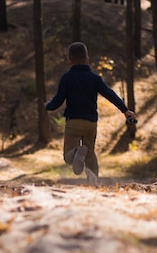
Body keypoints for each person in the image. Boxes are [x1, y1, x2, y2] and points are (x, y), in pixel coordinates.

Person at [45, 42, 137, 184]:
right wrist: (125, 110)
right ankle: (93, 181)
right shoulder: (95, 78)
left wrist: (48, 106)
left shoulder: (67, 78)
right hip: (91, 123)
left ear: (69, 60)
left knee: (68, 156)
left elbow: (58, 101)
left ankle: (76, 152)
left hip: (73, 122)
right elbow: (110, 94)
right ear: (87, 59)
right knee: (90, 153)